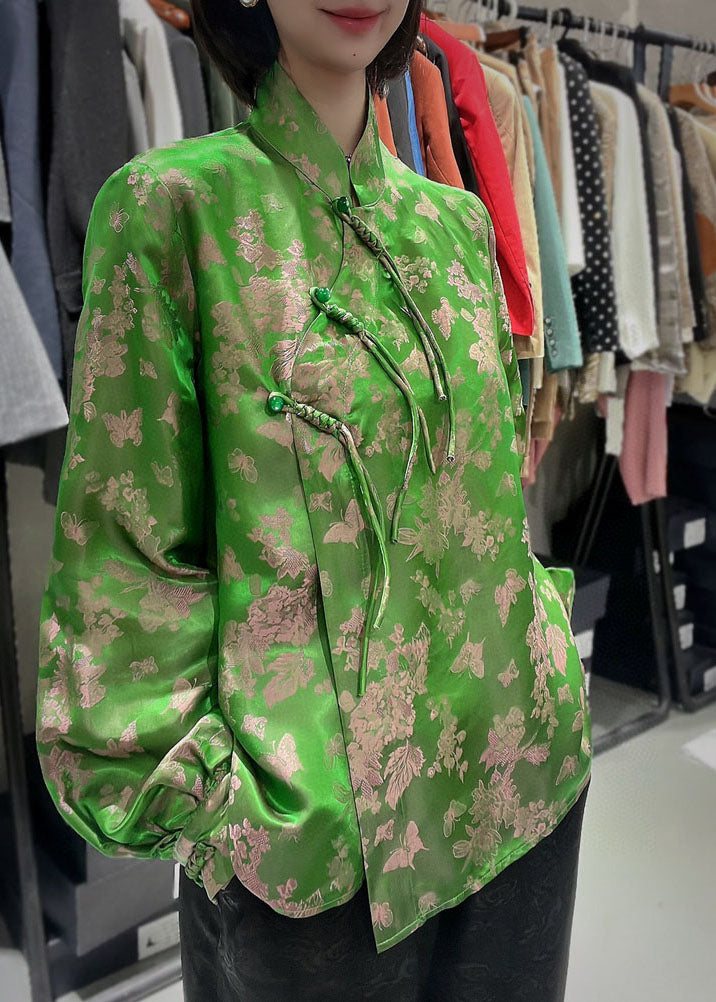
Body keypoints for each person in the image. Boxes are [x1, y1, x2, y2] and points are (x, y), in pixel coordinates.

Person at [36, 1, 592, 999]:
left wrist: (546, 651)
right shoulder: (171, 209)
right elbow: (125, 558)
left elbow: (480, 501)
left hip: (519, 766)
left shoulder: (457, 226)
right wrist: (226, 810)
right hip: (318, 838)